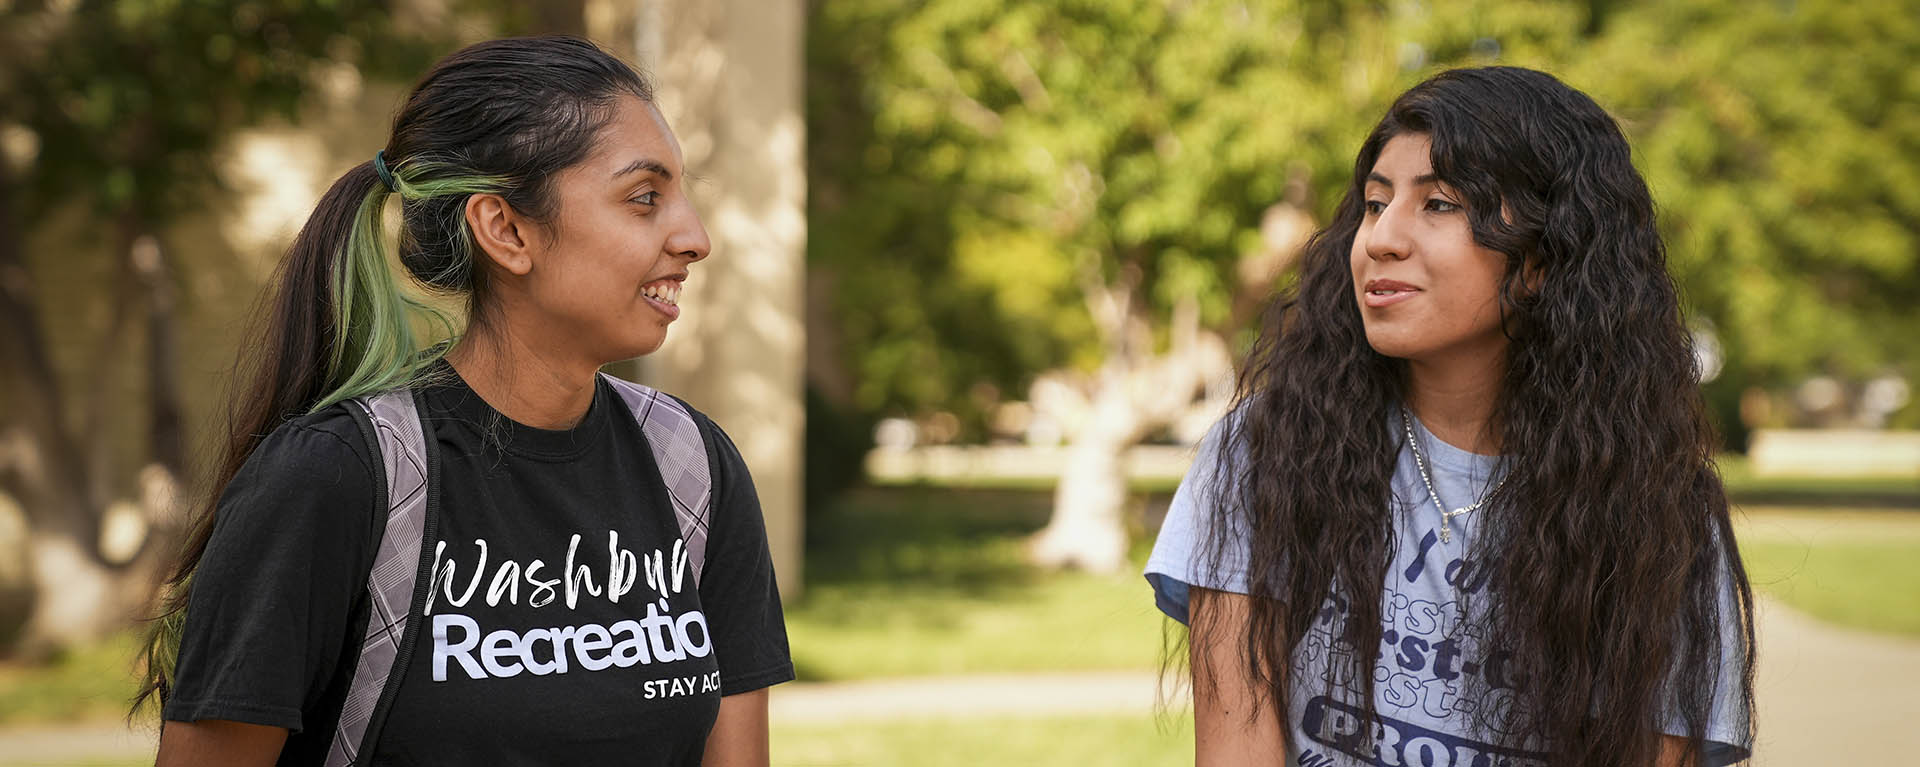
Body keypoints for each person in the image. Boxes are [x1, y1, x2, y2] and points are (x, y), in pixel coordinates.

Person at [135, 36, 793, 766]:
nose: (695, 237)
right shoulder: (334, 477)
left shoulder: (694, 469)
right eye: (644, 198)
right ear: (505, 229)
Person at [1145, 67, 1754, 767]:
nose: (1381, 239)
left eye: (1438, 204)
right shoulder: (1265, 451)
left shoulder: (1655, 514)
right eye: (1375, 204)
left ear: (1540, 261)